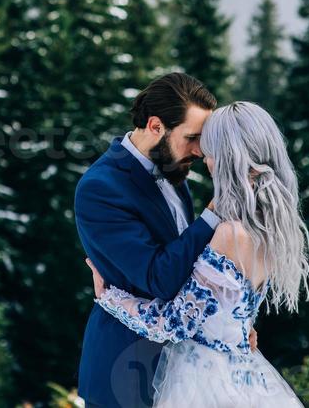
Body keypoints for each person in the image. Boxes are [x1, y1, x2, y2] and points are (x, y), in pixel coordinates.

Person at [87, 101, 309, 407]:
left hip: (203, 382)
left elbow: (174, 323)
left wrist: (109, 296)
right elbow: (231, 308)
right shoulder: (271, 229)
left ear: (227, 156)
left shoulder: (230, 234)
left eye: (208, 149)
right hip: (245, 375)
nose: (202, 158)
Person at [75, 72, 257, 408]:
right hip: (127, 374)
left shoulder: (173, 171)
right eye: (192, 138)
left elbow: (196, 267)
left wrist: (232, 321)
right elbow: (161, 279)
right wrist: (215, 212)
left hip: (187, 371)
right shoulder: (100, 188)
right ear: (156, 126)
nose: (201, 151)